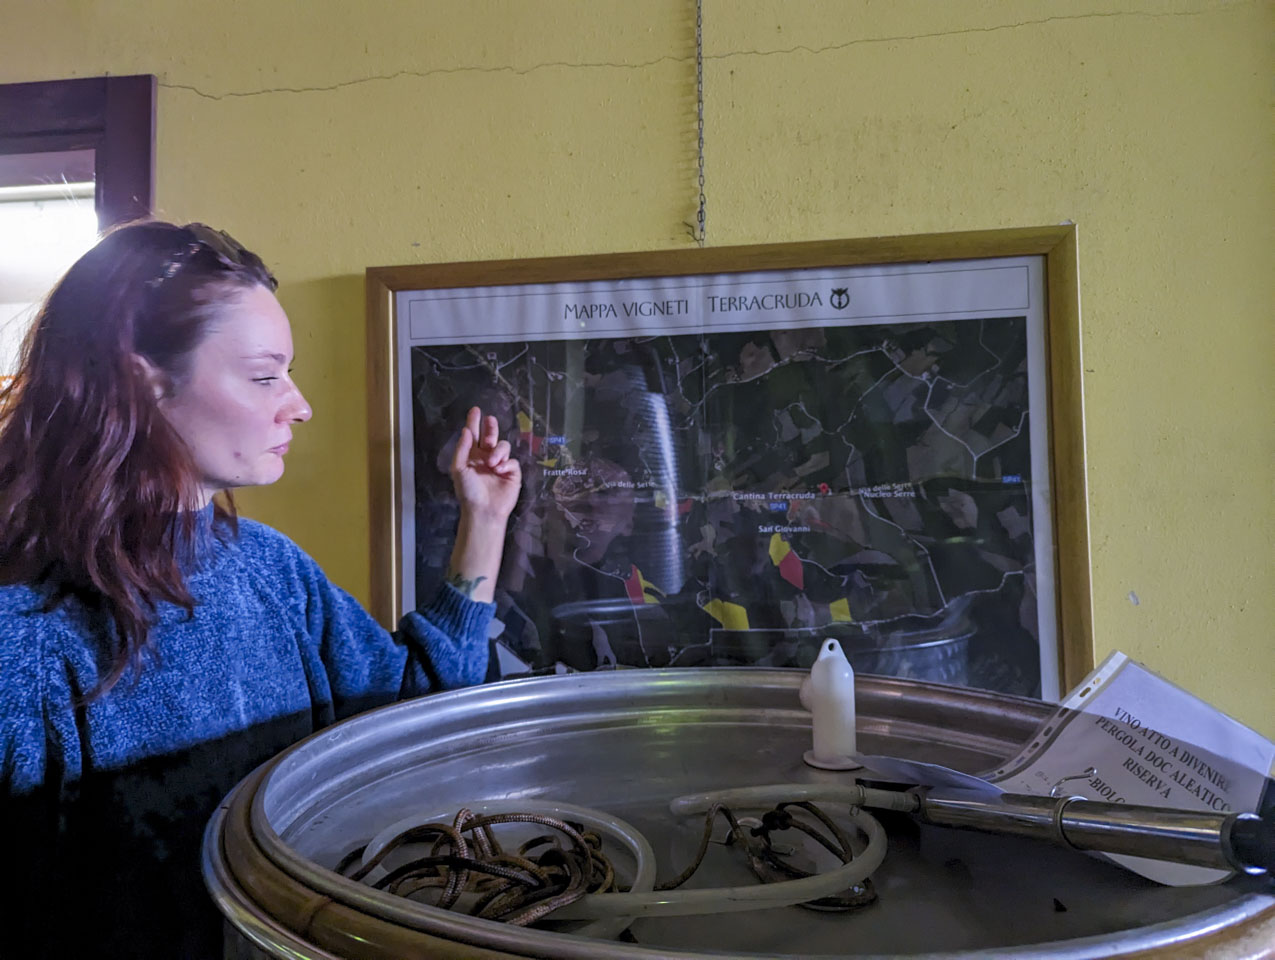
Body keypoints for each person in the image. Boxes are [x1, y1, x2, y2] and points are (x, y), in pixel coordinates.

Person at [0, 220, 521, 958]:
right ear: (141, 379)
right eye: (263, 374)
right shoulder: (23, 631)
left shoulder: (269, 568)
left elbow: (411, 715)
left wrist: (485, 520)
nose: (298, 405)